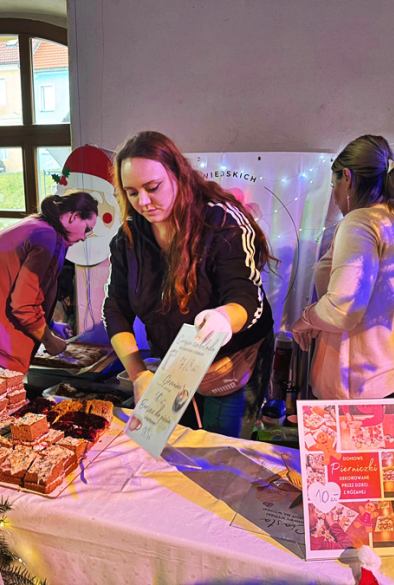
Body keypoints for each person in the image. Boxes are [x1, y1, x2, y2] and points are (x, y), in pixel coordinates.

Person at [103, 131, 275, 439]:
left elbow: (245, 294)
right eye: (131, 192)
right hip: (176, 363)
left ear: (177, 175)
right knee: (165, 445)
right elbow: (116, 308)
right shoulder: (129, 237)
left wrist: (224, 317)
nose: (143, 202)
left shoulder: (222, 221)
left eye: (153, 187)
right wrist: (138, 374)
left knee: (218, 452)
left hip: (230, 362)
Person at [292, 135, 394, 428]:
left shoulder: (361, 222)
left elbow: (342, 310)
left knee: (337, 477)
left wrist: (306, 319)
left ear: (347, 178)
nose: (334, 194)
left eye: (334, 183)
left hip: (357, 397)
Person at [0, 191, 99, 374]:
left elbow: (18, 288)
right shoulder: (49, 239)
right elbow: (24, 304)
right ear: (74, 217)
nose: (83, 237)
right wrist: (49, 341)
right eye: (87, 229)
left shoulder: (35, 226)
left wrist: (51, 326)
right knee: (5, 400)